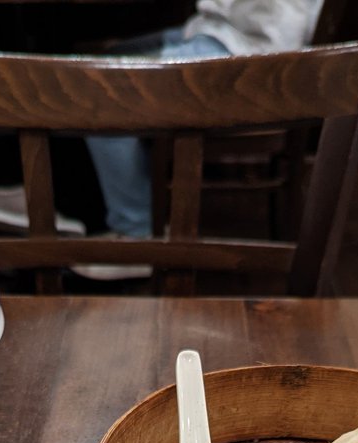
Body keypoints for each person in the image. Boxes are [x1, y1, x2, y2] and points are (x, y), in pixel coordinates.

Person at [76, 0, 325, 280]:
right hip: (222, 30)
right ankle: (96, 213)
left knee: (101, 90)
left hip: (253, 48)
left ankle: (137, 235)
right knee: (104, 59)